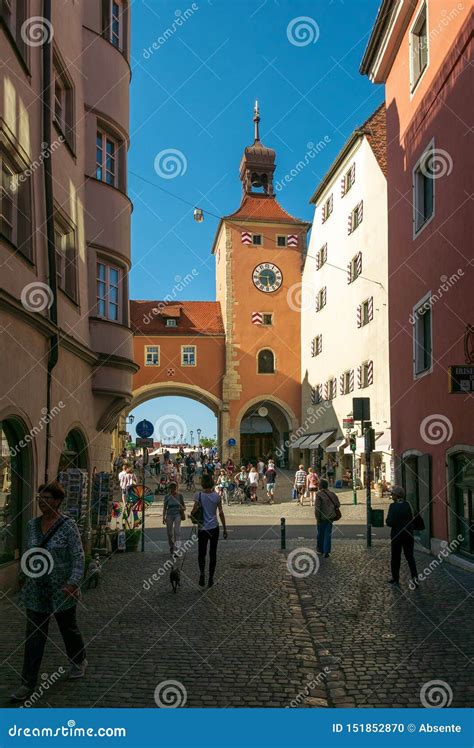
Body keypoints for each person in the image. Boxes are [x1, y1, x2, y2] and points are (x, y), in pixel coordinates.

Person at [12, 482, 86, 701]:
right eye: (39, 499)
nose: (42, 503)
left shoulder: (68, 525)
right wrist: (23, 574)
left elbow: (78, 556)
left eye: (47, 498)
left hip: (62, 589)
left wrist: (73, 582)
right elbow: (30, 552)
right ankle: (27, 683)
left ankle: (78, 660)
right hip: (36, 589)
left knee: (68, 629)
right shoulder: (32, 525)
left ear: (58, 501)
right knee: (34, 636)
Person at [192, 474, 228, 588]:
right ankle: (211, 579)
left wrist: (193, 514)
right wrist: (225, 528)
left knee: (201, 553)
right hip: (214, 528)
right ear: (212, 482)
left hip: (203, 528)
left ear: (203, 483)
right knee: (213, 554)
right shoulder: (217, 497)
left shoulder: (199, 495)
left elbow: (193, 511)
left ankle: (202, 573)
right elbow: (221, 513)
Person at [386, 485, 418, 585]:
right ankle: (415, 578)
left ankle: (395, 578)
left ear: (397, 495)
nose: (391, 495)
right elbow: (414, 517)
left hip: (396, 535)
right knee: (410, 557)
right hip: (408, 534)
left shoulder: (393, 506)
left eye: (393, 494)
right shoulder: (408, 504)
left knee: (395, 557)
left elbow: (389, 522)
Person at [315, 478, 340, 558]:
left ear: (321, 485)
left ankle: (320, 549)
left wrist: (317, 518)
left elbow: (317, 508)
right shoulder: (332, 493)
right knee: (327, 534)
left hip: (322, 517)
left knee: (320, 534)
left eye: (319, 484)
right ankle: (326, 551)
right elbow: (338, 504)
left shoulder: (319, 494)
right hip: (330, 517)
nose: (318, 485)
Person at [163, 482, 185, 554]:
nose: (173, 489)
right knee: (169, 533)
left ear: (176, 488)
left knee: (177, 531)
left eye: (174, 487)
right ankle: (171, 546)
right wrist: (163, 517)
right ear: (169, 488)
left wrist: (182, 508)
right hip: (169, 514)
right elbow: (165, 508)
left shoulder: (180, 496)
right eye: (171, 487)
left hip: (177, 514)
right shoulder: (167, 497)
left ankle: (177, 549)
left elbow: (184, 507)